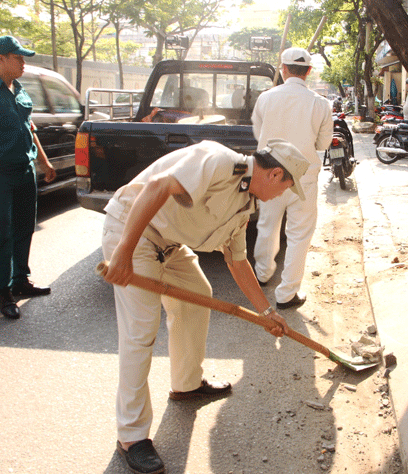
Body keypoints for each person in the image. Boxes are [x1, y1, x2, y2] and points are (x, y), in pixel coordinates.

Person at [102, 138, 308, 474]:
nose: (284, 194)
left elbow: (236, 260)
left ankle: (186, 385)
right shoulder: (219, 161)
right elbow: (157, 187)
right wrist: (123, 252)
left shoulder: (246, 204)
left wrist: (266, 312)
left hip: (168, 243)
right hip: (134, 232)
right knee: (140, 331)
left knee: (198, 293)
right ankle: (131, 436)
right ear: (275, 175)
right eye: (287, 186)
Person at [0, 36, 55, 320]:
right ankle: (3, 291)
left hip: (24, 171)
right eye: (18, 58)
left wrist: (44, 161)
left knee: (24, 227)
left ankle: (20, 281)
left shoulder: (20, 89)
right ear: (0, 59)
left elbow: (28, 128)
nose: (23, 63)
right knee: (0, 231)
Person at [251, 47, 333, 310]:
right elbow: (324, 143)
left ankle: (263, 275)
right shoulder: (320, 103)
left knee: (267, 225)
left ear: (283, 69)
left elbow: (258, 133)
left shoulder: (265, 98)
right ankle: (286, 294)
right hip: (303, 176)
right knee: (299, 235)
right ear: (308, 72)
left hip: (269, 174)